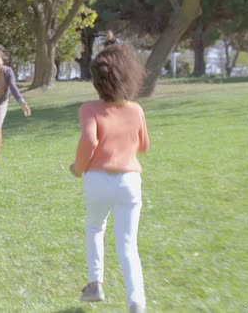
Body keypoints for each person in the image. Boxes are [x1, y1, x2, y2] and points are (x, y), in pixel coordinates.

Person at [69, 44, 149, 313]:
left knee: (95, 227)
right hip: (129, 180)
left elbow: (90, 140)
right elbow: (143, 145)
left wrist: (78, 168)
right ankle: (136, 301)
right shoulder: (136, 110)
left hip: (97, 179)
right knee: (128, 244)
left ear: (97, 81)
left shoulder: (89, 109)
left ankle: (95, 283)